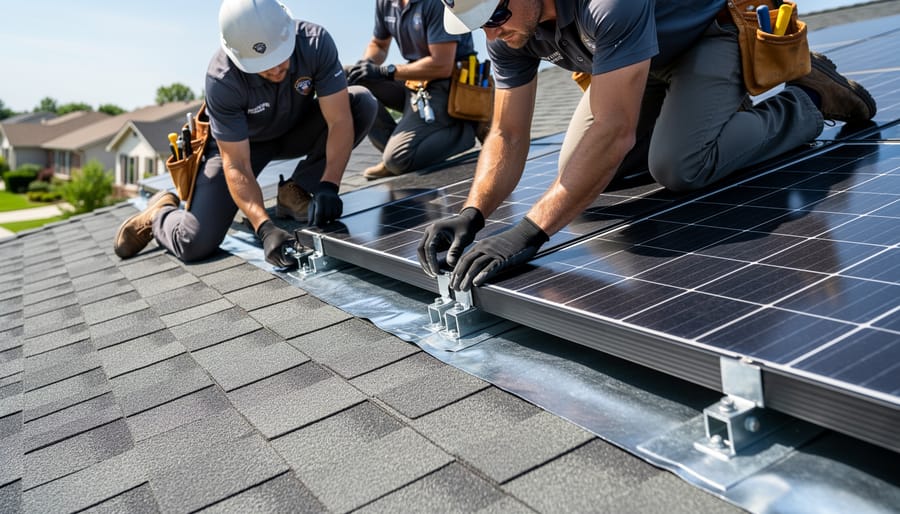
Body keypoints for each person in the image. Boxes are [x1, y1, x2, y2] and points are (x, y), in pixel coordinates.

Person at [418, 0, 876, 291]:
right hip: (638, 62)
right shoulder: (509, 33)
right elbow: (506, 133)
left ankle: (809, 98)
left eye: (495, 16)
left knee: (681, 166)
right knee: (589, 171)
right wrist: (473, 213)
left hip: (709, 35)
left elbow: (615, 132)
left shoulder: (607, 5)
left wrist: (528, 233)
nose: (491, 34)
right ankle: (702, 112)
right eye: (478, 25)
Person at [113, 0, 377, 268]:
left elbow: (340, 121)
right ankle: (160, 215)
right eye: (263, 64)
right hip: (242, 145)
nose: (275, 69)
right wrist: (264, 228)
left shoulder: (315, 42)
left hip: (294, 129)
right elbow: (236, 163)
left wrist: (329, 184)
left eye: (279, 58)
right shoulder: (222, 78)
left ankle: (295, 191)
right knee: (194, 242)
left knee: (361, 104)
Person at [345, 0, 479, 180]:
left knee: (399, 160)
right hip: (415, 83)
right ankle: (394, 153)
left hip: (449, 87)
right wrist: (367, 65)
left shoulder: (437, 4)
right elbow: (379, 44)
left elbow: (442, 65)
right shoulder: (386, 2)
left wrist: (384, 71)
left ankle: (465, 130)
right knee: (347, 77)